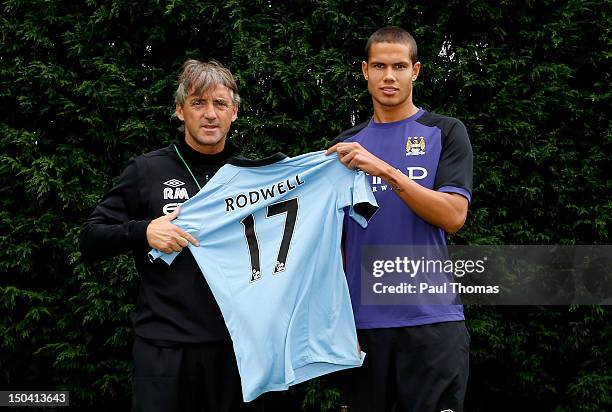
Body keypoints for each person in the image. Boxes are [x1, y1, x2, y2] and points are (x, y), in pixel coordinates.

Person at [80, 60, 263, 412]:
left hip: (235, 351)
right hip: (163, 350)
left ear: (235, 112)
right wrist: (144, 231)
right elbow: (90, 237)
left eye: (220, 104)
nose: (210, 114)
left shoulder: (255, 177)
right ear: (180, 110)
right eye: (198, 103)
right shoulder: (147, 170)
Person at [326, 27, 473, 412]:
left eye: (399, 66)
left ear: (416, 71)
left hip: (431, 321)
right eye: (379, 66)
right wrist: (341, 323)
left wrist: (387, 171)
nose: (389, 76)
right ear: (365, 70)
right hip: (365, 327)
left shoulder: (445, 131)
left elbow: (454, 215)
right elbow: (337, 246)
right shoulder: (347, 144)